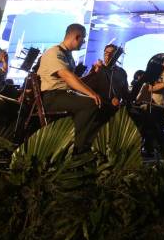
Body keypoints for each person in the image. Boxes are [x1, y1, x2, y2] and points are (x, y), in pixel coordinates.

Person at [37, 24, 103, 152]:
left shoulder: (67, 55)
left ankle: (88, 145)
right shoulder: (54, 52)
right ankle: (74, 147)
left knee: (101, 104)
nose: (83, 42)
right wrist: (91, 93)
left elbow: (73, 82)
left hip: (64, 94)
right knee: (91, 103)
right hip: (53, 96)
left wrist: (92, 74)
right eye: (83, 39)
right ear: (77, 37)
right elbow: (66, 76)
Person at [83, 44, 130, 120]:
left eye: (112, 53)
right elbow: (86, 87)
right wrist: (93, 72)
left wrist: (120, 101)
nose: (108, 55)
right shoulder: (97, 68)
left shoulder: (121, 72)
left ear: (116, 55)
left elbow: (125, 93)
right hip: (97, 106)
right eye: (106, 53)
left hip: (115, 109)